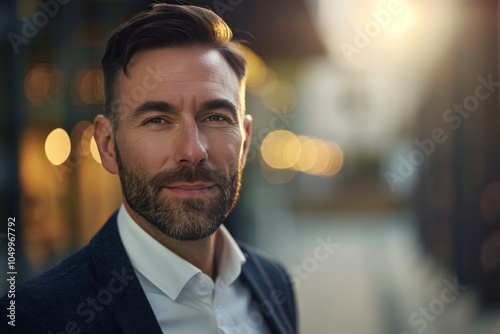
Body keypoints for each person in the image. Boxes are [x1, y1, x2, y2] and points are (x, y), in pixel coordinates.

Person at [0, 4, 297, 334]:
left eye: (215, 117)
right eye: (157, 120)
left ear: (244, 143)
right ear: (109, 146)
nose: (192, 151)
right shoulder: (32, 319)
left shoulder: (274, 283)